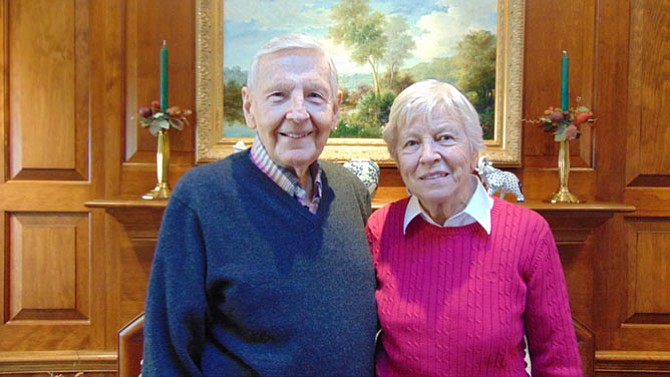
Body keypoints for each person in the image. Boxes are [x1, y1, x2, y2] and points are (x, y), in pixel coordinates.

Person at [142, 33, 377, 376]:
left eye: (314, 96)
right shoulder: (200, 198)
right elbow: (168, 353)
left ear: (335, 109)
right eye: (279, 96)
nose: (298, 113)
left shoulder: (351, 191)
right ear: (250, 107)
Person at [366, 79, 583, 376]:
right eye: (412, 143)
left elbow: (559, 363)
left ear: (473, 149)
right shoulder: (380, 228)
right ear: (397, 158)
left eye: (444, 138)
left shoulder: (529, 233)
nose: (428, 156)